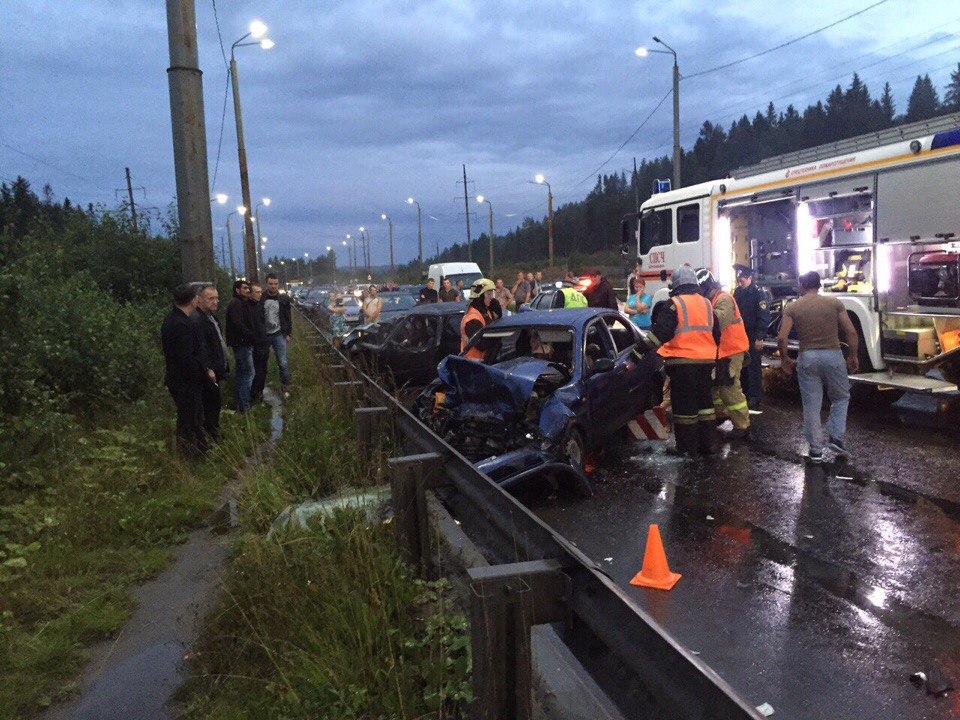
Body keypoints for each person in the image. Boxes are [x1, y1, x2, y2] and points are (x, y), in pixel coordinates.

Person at [778, 271, 859, 463]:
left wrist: (785, 358)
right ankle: (836, 437)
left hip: (807, 356)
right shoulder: (834, 303)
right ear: (819, 285)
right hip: (833, 354)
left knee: (812, 405)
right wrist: (853, 356)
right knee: (841, 397)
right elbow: (851, 332)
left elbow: (782, 337)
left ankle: (815, 451)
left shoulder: (793, 307)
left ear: (801, 286)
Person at [649, 267, 721, 456]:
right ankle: (709, 445)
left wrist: (640, 350)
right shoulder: (707, 303)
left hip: (682, 364)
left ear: (676, 284)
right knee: (705, 406)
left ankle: (688, 449)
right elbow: (717, 334)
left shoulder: (674, 304)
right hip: (706, 363)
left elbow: (660, 334)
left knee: (684, 409)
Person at [697, 268, 751, 440]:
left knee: (729, 388)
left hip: (732, 350)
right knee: (716, 386)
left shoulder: (724, 299)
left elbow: (716, 322)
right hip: (720, 352)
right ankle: (720, 416)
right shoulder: (712, 300)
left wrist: (695, 311)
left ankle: (742, 426)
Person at [161, 284, 211, 459]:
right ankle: (191, 456)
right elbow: (186, 358)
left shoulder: (173, 319)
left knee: (191, 417)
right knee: (190, 419)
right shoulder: (181, 324)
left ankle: (196, 452)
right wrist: (202, 374)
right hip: (185, 381)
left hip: (181, 379)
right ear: (193, 300)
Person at [193, 284, 229, 441]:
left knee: (215, 404)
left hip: (216, 369)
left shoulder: (211, 316)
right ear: (199, 299)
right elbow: (200, 348)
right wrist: (207, 367)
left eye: (217, 298)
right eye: (211, 298)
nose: (215, 302)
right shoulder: (197, 320)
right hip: (207, 372)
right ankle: (212, 436)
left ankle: (214, 433)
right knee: (210, 405)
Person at [733, 264, 772, 410]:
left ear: (750, 278)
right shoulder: (737, 292)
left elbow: (763, 316)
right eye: (738, 279)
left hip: (753, 335)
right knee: (742, 366)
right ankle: (744, 393)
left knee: (753, 367)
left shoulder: (758, 293)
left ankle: (755, 396)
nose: (740, 281)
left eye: (742, 279)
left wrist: (760, 337)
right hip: (741, 336)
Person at [225, 280, 255, 412]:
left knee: (241, 373)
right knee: (248, 373)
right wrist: (251, 335)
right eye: (245, 288)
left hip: (241, 342)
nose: (248, 290)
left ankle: (240, 403)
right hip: (242, 343)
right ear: (237, 290)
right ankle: (244, 405)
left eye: (248, 288)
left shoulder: (240, 303)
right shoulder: (237, 304)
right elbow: (239, 324)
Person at [261, 273, 292, 398]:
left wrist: (288, 333)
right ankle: (259, 389)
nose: (273, 286)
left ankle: (285, 386)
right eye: (270, 284)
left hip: (279, 334)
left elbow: (287, 317)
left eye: (275, 284)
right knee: (262, 362)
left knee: (283, 362)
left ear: (278, 284)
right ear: (266, 284)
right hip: (264, 335)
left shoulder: (284, 299)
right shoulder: (261, 298)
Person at [461, 278, 496, 360]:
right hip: (474, 363)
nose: (492, 298)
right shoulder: (472, 319)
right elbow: (482, 345)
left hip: (484, 362)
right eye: (489, 294)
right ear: (480, 297)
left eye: (492, 294)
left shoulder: (484, 312)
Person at [249, 282, 270, 405]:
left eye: (260, 292)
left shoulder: (260, 305)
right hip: (255, 344)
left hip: (263, 343)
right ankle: (254, 396)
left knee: (263, 370)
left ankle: (260, 393)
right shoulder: (248, 308)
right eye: (257, 292)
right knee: (256, 371)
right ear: (250, 294)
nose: (260, 294)